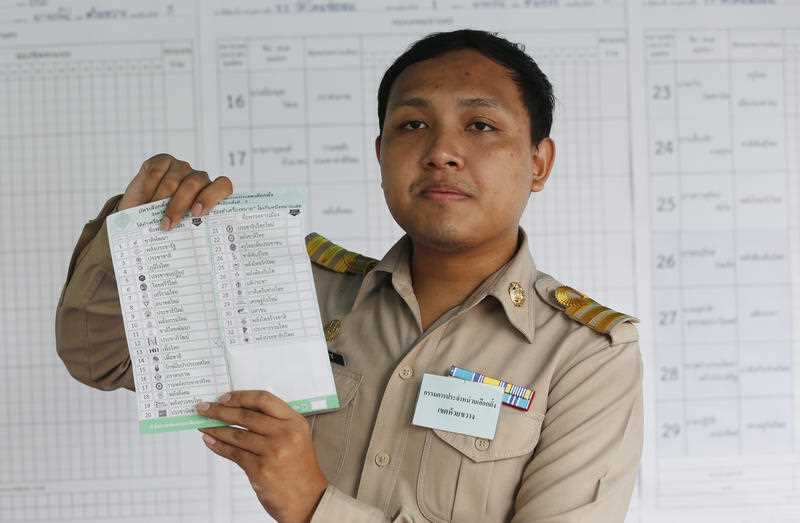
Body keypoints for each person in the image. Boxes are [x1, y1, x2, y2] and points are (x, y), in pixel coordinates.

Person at [55, 29, 643, 523]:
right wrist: (137, 228)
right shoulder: (291, 291)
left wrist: (314, 503)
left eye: (481, 126)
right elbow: (102, 359)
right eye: (413, 125)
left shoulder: (584, 355)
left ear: (539, 163)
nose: (442, 151)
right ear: (380, 151)